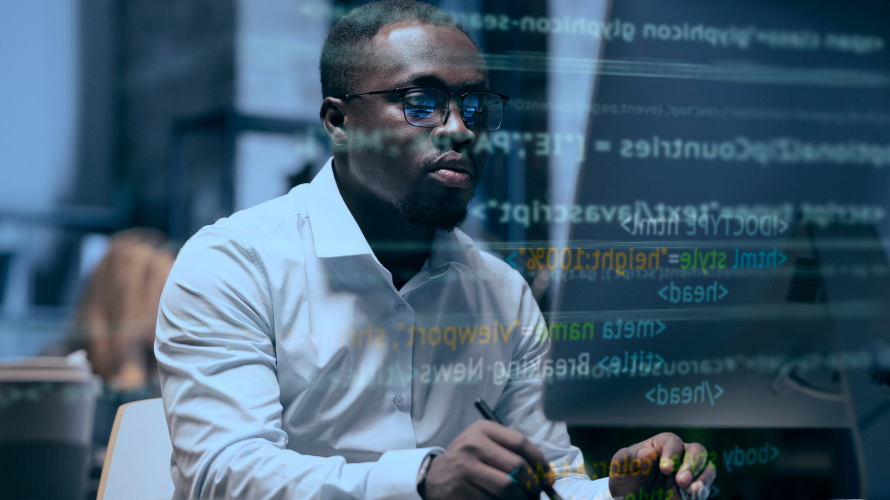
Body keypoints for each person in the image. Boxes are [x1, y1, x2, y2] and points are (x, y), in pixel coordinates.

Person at [155, 1, 716, 499]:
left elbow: (548, 482)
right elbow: (221, 476)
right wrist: (423, 480)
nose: (460, 129)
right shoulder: (235, 265)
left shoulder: (502, 293)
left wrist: (615, 495)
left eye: (475, 107)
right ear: (339, 121)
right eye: (421, 102)